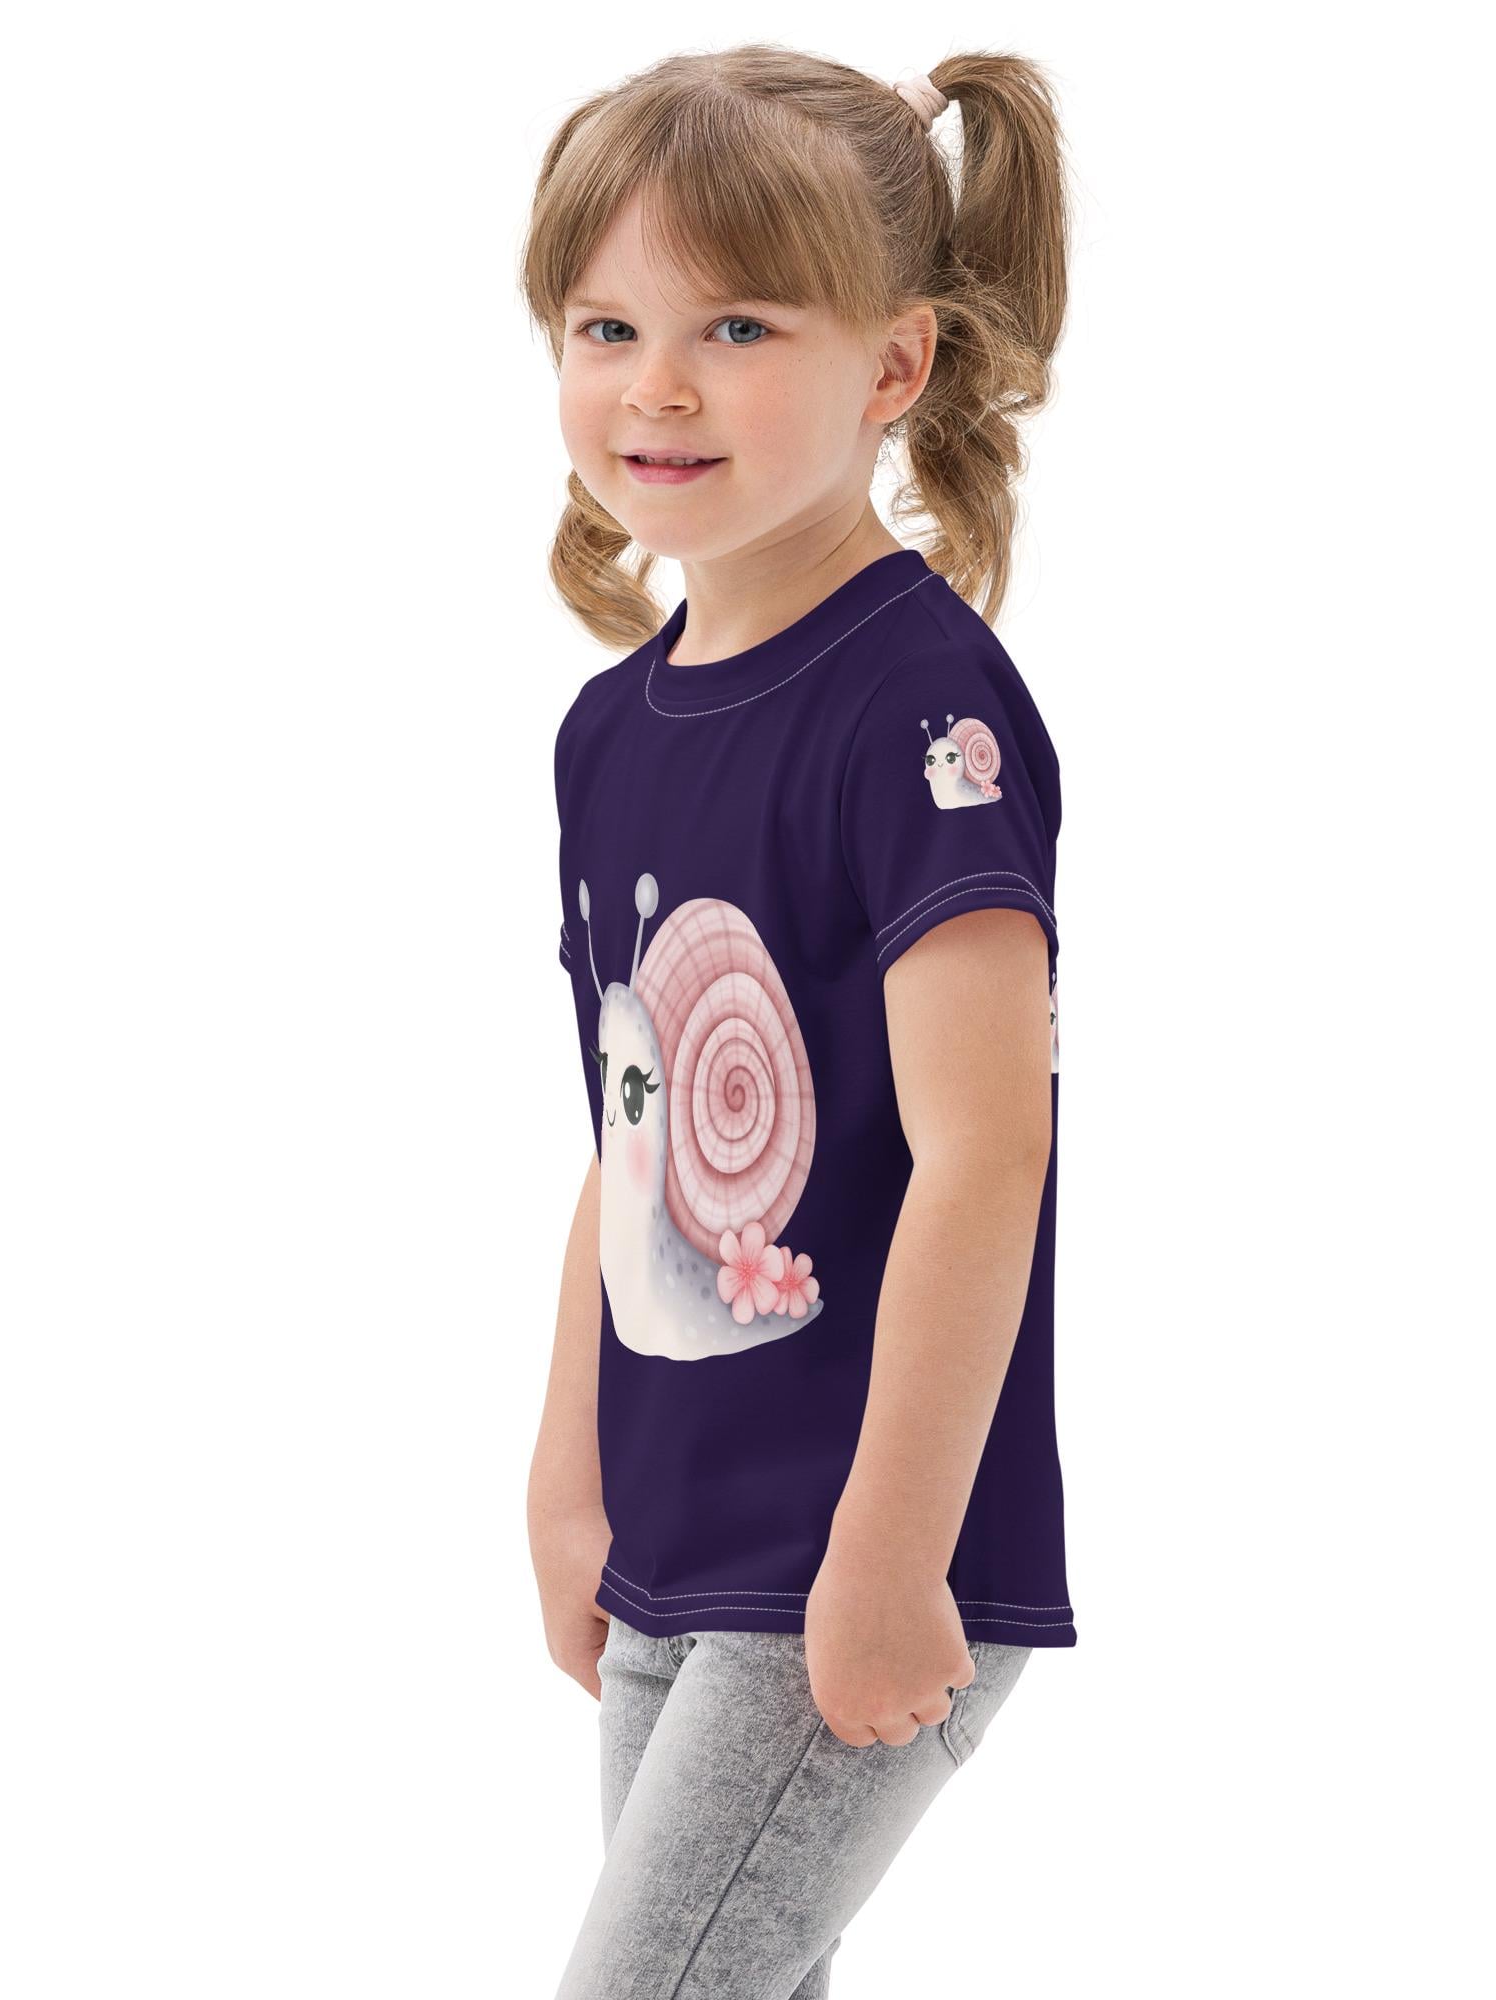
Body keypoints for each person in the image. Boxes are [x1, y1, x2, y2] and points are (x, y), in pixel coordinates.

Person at [521, 43, 1077, 1997]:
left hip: (857, 1535)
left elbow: (985, 1148)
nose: (656, 385)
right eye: (609, 327)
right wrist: (569, 1472)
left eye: (738, 326)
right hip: (684, 1529)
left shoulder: (919, 710)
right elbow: (637, 1130)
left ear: (894, 364)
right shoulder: (610, 732)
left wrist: (894, 1547)